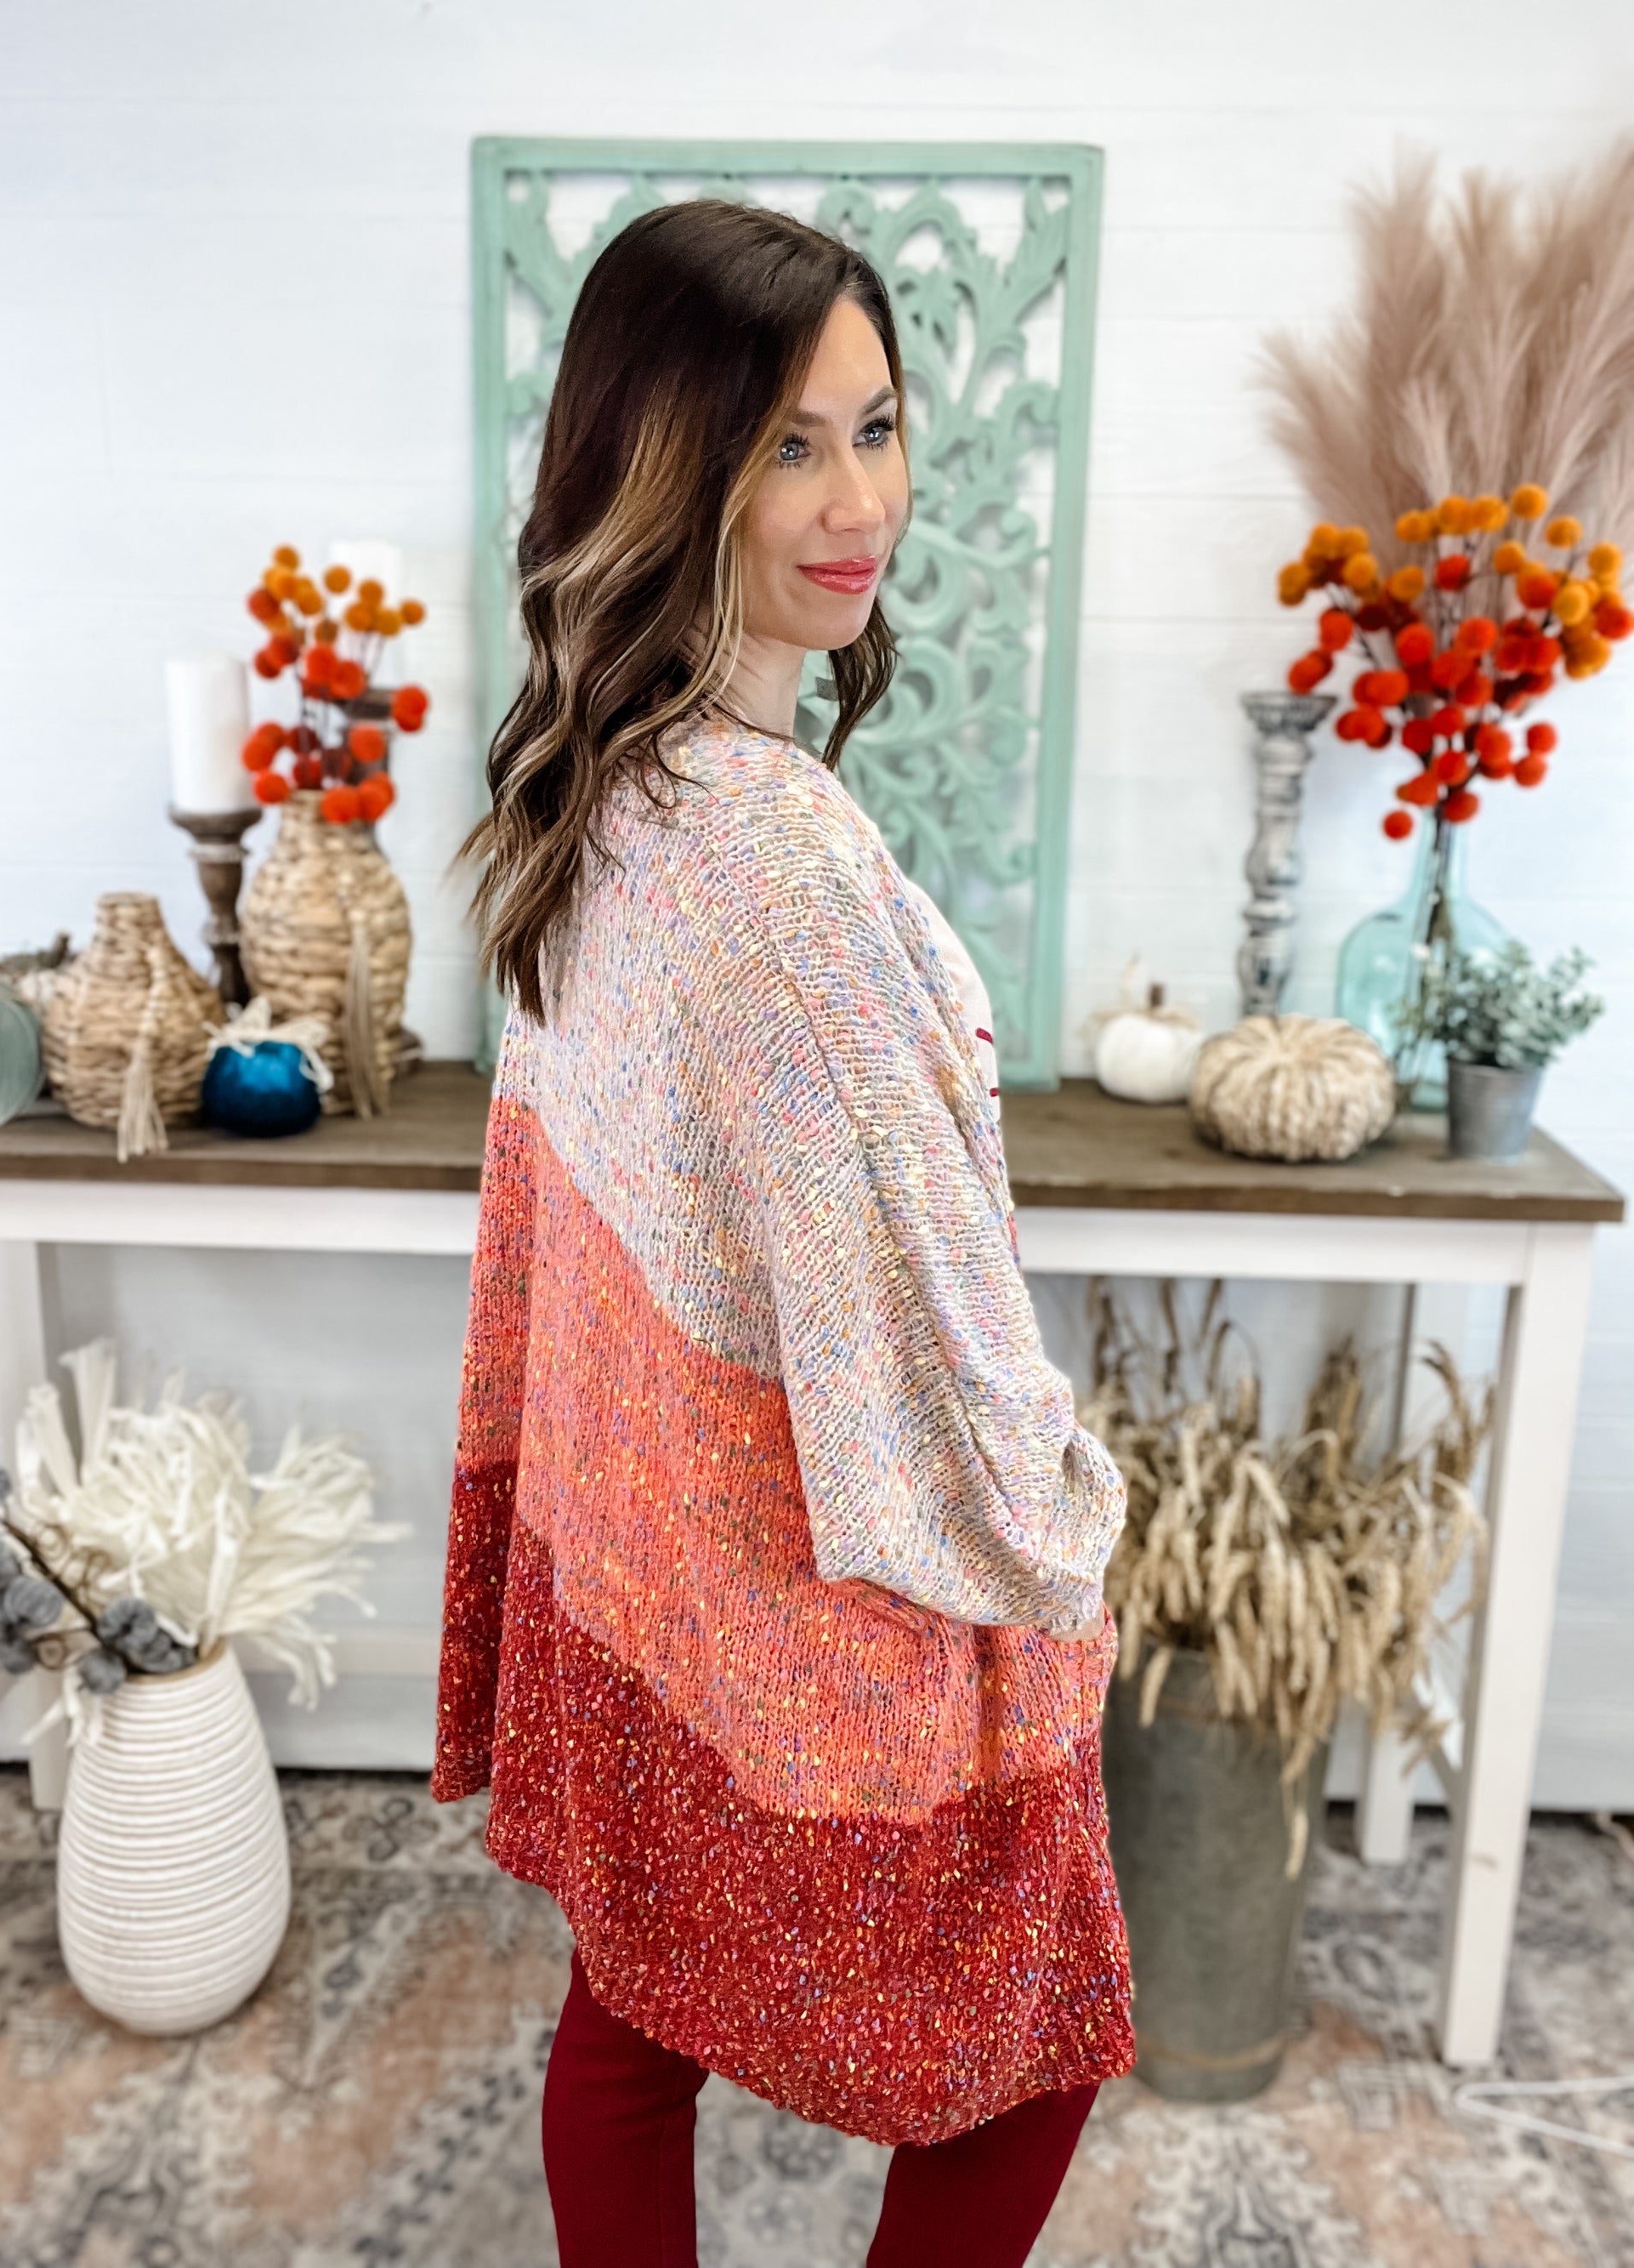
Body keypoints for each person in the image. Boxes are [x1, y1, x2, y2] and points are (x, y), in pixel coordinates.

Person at [433, 198, 1134, 2268]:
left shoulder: (612, 785)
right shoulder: (776, 867)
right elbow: (907, 1318)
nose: (860, 505)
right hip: (801, 1582)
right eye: (785, 449)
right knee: (1032, 2044)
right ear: (667, 472)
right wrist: (1062, 1514)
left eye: (877, 427)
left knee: (632, 2000)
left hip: (649, 1558)